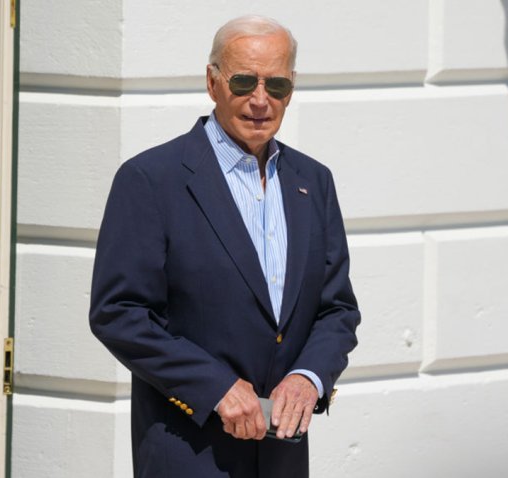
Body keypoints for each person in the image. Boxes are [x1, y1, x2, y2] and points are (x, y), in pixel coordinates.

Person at [89, 15, 360, 478]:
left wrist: (308, 378)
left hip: (283, 457)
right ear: (212, 82)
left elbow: (336, 309)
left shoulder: (313, 182)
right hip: (188, 453)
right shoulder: (151, 180)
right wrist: (216, 387)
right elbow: (119, 312)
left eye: (276, 84)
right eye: (243, 81)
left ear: (291, 88)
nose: (260, 100)